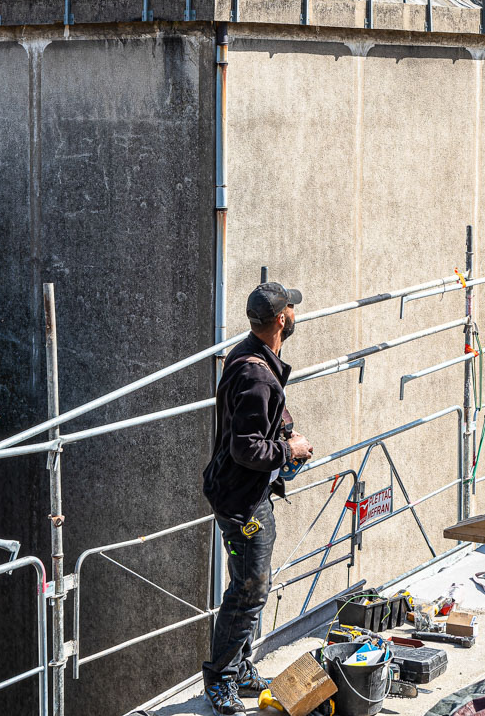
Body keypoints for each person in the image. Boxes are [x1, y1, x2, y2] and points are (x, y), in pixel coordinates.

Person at [200, 282, 314, 714]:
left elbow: (254, 416)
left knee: (250, 586)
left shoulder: (248, 354)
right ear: (282, 319)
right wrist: (291, 450)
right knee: (249, 590)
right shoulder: (256, 373)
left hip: (240, 493)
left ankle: (241, 668)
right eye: (291, 309)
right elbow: (245, 447)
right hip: (242, 502)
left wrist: (283, 428)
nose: (294, 314)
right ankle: (222, 680)